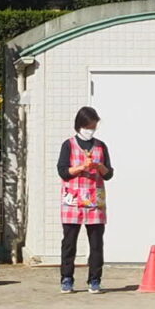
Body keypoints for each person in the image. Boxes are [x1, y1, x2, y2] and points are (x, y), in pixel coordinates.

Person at [55, 106, 113, 294]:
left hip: (94, 201)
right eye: (88, 126)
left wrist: (99, 166)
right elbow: (63, 171)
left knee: (96, 243)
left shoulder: (101, 146)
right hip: (73, 201)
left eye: (94, 126)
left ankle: (95, 280)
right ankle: (67, 278)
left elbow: (109, 174)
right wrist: (81, 167)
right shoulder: (69, 145)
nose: (91, 130)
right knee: (69, 242)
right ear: (80, 125)